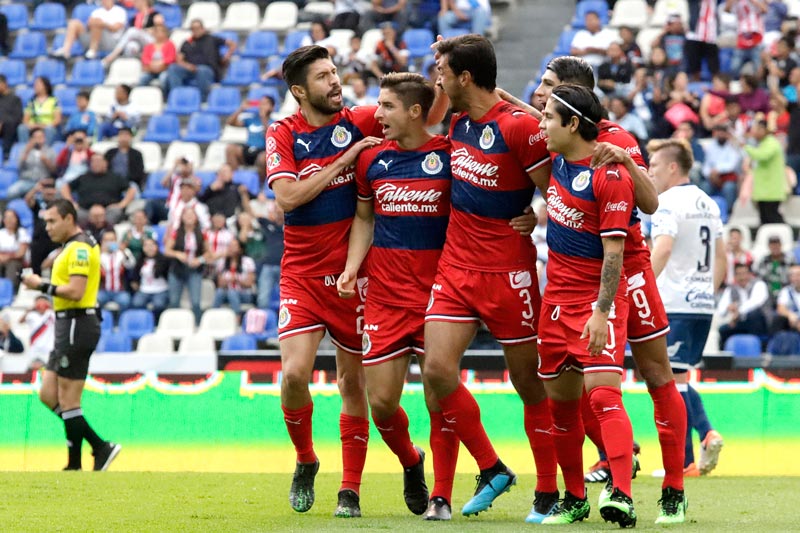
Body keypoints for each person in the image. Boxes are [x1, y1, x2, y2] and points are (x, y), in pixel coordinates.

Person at [499, 57, 688, 516]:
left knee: (655, 376)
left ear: (574, 97)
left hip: (627, 270)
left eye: (547, 88)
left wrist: (625, 159)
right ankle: (595, 479)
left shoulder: (615, 144)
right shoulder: (563, 144)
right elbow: (559, 152)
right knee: (572, 393)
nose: (539, 96)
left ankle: (671, 490)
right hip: (569, 284)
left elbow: (649, 201)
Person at [425, 34, 560, 522]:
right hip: (456, 267)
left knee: (530, 383)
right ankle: (492, 467)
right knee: (437, 371)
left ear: (465, 77)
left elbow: (558, 190)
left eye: (443, 71)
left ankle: (547, 489)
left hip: (510, 272)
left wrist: (537, 214)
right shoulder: (459, 121)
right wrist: (444, 51)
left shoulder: (520, 128)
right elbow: (430, 111)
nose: (436, 79)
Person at [265, 45, 384, 518]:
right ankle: (306, 458)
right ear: (300, 90)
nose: (335, 81)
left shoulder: (360, 118)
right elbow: (288, 197)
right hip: (301, 274)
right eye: (323, 76)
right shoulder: (284, 132)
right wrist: (345, 160)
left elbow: (428, 109)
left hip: (354, 276)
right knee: (294, 374)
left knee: (352, 383)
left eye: (335, 72)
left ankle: (350, 491)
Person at [336, 73, 447, 519]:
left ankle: (441, 495)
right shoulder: (372, 161)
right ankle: (411, 459)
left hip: (438, 295)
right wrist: (350, 267)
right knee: (381, 401)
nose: (376, 115)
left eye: (386, 106)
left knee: (439, 400)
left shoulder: (448, 156)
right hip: (383, 295)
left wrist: (522, 219)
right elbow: (364, 218)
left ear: (415, 112)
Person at [534, 84, 637, 527]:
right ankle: (574, 498)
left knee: (603, 396)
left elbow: (615, 253)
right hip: (553, 303)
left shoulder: (608, 174)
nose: (540, 124)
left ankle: (622, 494)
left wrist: (601, 310)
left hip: (595, 302)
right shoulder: (559, 159)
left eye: (548, 118)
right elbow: (521, 111)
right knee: (561, 407)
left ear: (573, 124)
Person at [647, 138, 726, 491]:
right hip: (701, 304)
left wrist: (641, 287)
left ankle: (702, 438)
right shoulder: (708, 202)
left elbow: (662, 247)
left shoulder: (666, 202)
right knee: (679, 379)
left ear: (672, 168)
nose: (649, 173)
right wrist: (707, 293)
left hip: (674, 302)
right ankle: (689, 461)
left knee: (670, 384)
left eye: (654, 167)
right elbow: (722, 258)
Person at [21, 199, 122, 471]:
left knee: (68, 400)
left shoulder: (78, 248)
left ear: (69, 218)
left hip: (78, 323)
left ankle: (83, 458)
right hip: (68, 324)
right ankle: (95, 449)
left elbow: (76, 291)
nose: (48, 226)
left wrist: (40, 285)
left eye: (52, 221)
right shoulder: (74, 245)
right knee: (48, 394)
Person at [165, 19, 237, 100]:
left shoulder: (212, 39)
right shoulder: (187, 43)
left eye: (198, 28)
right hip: (190, 69)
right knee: (173, 68)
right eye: (193, 28)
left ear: (203, 28)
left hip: (208, 69)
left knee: (202, 70)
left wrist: (226, 56)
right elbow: (179, 59)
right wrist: (187, 66)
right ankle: (176, 97)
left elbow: (232, 44)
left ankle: (202, 99)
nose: (196, 30)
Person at [61, 152, 135, 224]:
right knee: (74, 214)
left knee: (115, 212)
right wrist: (71, 203)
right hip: (85, 211)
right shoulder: (83, 177)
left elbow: (131, 190)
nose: (96, 163)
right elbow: (65, 187)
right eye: (94, 161)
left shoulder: (115, 177)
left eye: (99, 161)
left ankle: (107, 231)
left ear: (105, 163)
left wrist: (121, 204)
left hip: (108, 211)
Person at [164, 207, 209, 324]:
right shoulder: (176, 233)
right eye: (186, 215)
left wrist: (200, 259)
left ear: (196, 218)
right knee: (174, 301)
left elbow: (209, 253)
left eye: (192, 215)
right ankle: (176, 324)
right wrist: (177, 254)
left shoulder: (202, 233)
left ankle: (197, 325)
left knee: (195, 302)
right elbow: (167, 250)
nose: (189, 217)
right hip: (177, 270)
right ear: (182, 218)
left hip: (194, 270)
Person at [742, 119, 787, 224]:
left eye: (757, 129)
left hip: (771, 190)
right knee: (764, 219)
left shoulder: (772, 142)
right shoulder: (763, 143)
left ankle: (786, 236)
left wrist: (745, 147)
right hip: (764, 191)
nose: (754, 132)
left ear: (763, 129)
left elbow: (762, 156)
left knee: (773, 217)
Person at [717, 262, 770, 348]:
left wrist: (738, 311)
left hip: (759, 323)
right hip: (740, 322)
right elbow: (721, 309)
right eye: (738, 274)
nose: (742, 277)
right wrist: (728, 308)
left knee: (754, 315)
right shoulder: (731, 289)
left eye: (744, 274)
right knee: (723, 330)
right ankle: (724, 358)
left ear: (750, 274)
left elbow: (756, 302)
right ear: (735, 276)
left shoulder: (759, 284)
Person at [52, 0, 127, 60]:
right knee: (74, 23)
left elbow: (116, 28)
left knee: (97, 24)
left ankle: (92, 51)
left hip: (111, 41)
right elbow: (89, 25)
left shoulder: (120, 11)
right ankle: (66, 50)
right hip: (93, 37)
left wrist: (102, 23)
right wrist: (94, 23)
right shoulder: (97, 11)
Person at [225, 96, 274, 187]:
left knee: (263, 158)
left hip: (261, 152)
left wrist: (263, 118)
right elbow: (230, 123)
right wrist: (241, 109)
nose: (262, 106)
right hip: (248, 149)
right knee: (230, 149)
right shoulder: (251, 119)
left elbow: (269, 137)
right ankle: (233, 182)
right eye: (261, 103)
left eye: (265, 104)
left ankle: (260, 186)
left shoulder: (274, 122)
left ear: (271, 107)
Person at [101, 0, 163, 67]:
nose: (134, 3)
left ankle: (112, 56)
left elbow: (161, 31)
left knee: (132, 31)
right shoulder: (134, 18)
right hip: (139, 44)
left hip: (152, 41)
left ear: (144, 1)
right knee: (131, 46)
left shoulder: (154, 14)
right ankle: (137, 66)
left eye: (136, 1)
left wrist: (149, 30)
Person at [24, 177, 59, 274]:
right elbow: (27, 200)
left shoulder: (59, 205)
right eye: (47, 192)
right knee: (36, 269)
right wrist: (36, 189)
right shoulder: (38, 204)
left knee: (55, 267)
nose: (49, 194)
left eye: (51, 192)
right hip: (39, 240)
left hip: (54, 240)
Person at [213, 239, 256, 316]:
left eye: (234, 246)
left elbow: (250, 283)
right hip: (227, 292)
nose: (231, 248)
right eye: (230, 246)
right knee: (219, 292)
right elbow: (219, 284)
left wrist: (237, 280)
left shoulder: (248, 261)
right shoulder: (222, 262)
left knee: (232, 292)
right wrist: (228, 281)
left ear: (240, 249)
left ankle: (237, 318)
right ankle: (213, 316)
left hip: (244, 294)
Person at [130, 237, 169, 319]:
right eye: (146, 246)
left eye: (152, 245)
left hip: (160, 289)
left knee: (159, 305)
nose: (149, 248)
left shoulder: (164, 260)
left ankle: (156, 322)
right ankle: (144, 320)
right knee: (136, 303)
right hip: (144, 289)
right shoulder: (140, 260)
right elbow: (135, 276)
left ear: (157, 247)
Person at [97, 229, 136, 312]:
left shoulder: (123, 253)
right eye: (106, 240)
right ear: (102, 242)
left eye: (112, 240)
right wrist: (100, 253)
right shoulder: (98, 254)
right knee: (96, 301)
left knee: (125, 301)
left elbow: (131, 264)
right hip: (104, 291)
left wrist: (123, 252)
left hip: (120, 291)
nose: (109, 243)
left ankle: (121, 323)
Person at [18, 76, 62, 146]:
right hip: (33, 126)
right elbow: (25, 119)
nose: (35, 86)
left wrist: (45, 125)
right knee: (21, 128)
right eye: (35, 85)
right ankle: (26, 149)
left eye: (38, 84)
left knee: (50, 129)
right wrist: (32, 125)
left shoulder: (54, 100)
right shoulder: (31, 101)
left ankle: (45, 150)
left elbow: (57, 119)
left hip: (47, 126)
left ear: (45, 86)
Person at [14, 128, 57, 199]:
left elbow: (54, 171)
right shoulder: (25, 150)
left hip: (43, 182)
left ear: (44, 138)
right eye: (36, 137)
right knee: (12, 192)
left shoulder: (50, 151)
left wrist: (46, 161)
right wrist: (26, 151)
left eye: (41, 137)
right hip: (26, 181)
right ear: (31, 139)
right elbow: (19, 166)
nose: (39, 139)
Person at [684, 0, 720, 80]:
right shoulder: (694, 2)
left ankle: (716, 85)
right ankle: (696, 85)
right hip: (695, 34)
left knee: (714, 65)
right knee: (694, 64)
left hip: (711, 34)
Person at [0, 209, 31, 291]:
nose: (9, 220)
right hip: (2, 260)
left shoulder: (22, 232)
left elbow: (21, 253)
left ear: (17, 219)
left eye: (12, 217)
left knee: (12, 265)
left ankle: (9, 291)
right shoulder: (1, 233)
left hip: (17, 261)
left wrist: (7, 257)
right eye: (7, 217)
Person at [22, 295, 56, 368]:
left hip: (48, 349)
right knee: (33, 369)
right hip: (35, 348)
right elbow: (20, 321)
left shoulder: (51, 314)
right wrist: (30, 309)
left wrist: (50, 306)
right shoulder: (32, 315)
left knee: (48, 369)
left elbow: (59, 314)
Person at [757, 235, 793, 302]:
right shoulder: (764, 260)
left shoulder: (789, 260)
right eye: (772, 244)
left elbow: (794, 278)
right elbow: (759, 279)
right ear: (769, 246)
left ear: (781, 245)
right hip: (768, 296)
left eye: (777, 244)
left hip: (786, 294)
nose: (775, 247)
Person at [139, 24, 176, 89]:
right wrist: (152, 64)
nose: (158, 33)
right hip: (151, 70)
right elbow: (145, 58)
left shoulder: (170, 44)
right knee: (142, 79)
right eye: (156, 31)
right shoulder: (149, 46)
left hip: (164, 69)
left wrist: (161, 63)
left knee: (163, 79)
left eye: (161, 31)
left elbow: (171, 58)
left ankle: (164, 97)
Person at [0, 74, 23, 159]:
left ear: (4, 84)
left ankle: (6, 154)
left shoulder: (15, 99)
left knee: (10, 124)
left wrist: (2, 122)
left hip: (8, 128)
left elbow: (18, 117)